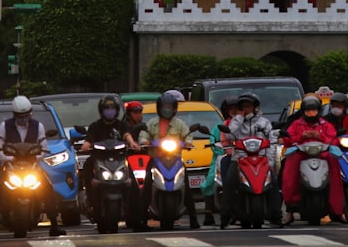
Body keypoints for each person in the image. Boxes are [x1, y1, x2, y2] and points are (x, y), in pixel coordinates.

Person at [0, 95, 63, 238]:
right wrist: (9, 159)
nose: (23, 119)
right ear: (14, 115)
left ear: (30, 113)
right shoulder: (5, 126)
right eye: (20, 116)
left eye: (26, 115)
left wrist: (35, 157)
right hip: (10, 166)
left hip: (32, 167)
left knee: (47, 189)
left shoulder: (38, 126)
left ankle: (54, 224)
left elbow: (44, 148)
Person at [80, 94, 146, 231]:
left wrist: (132, 143)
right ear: (101, 110)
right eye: (106, 109)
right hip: (99, 160)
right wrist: (86, 145)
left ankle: (138, 217)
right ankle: (90, 202)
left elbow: (127, 135)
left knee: (133, 183)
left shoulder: (122, 125)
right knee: (87, 167)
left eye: (112, 109)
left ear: (117, 111)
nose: (109, 111)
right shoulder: (95, 126)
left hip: (120, 159)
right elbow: (89, 140)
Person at [219, 92, 283, 229]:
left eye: (248, 106)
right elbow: (230, 135)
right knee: (229, 184)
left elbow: (272, 142)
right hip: (239, 159)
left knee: (273, 183)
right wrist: (239, 118)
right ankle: (225, 217)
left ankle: (276, 216)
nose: (245, 109)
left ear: (255, 107)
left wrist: (270, 163)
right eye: (243, 107)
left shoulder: (264, 123)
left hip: (261, 160)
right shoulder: (237, 122)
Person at [140, 92, 200, 229]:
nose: (166, 109)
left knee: (187, 186)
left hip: (176, 160)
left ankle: (193, 218)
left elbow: (188, 136)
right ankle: (142, 219)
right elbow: (144, 135)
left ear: (174, 109)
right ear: (159, 108)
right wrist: (144, 141)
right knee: (147, 185)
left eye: (169, 107)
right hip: (156, 159)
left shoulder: (179, 124)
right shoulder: (152, 123)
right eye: (164, 107)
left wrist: (189, 143)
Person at [280, 95, 344, 224]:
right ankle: (290, 209)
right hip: (302, 155)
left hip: (322, 155)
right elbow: (288, 139)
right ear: (303, 111)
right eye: (308, 110)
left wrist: (320, 136)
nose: (311, 113)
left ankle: (337, 210)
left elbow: (333, 139)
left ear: (318, 111)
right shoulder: (296, 124)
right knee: (289, 171)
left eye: (313, 110)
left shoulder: (325, 124)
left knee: (335, 165)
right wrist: (300, 137)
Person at [200, 96, 240, 226]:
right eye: (231, 109)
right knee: (209, 182)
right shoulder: (220, 127)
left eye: (236, 109)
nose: (234, 111)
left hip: (241, 157)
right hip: (220, 158)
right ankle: (208, 212)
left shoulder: (244, 124)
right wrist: (222, 151)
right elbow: (214, 142)